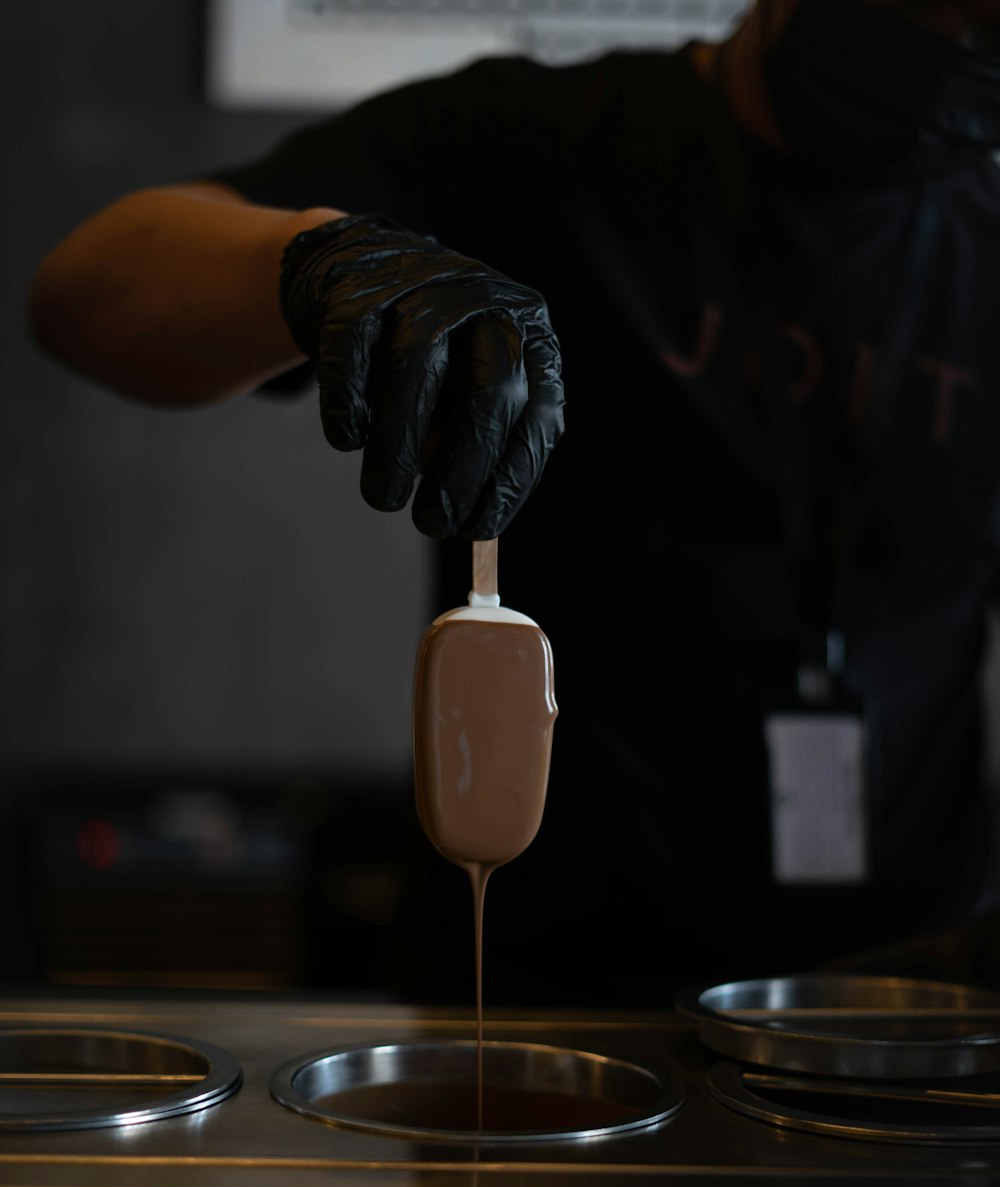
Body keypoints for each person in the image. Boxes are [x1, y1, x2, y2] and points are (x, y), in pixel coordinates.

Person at [28, 0, 1000, 1007]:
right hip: (529, 991)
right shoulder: (526, 137)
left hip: (893, 1009)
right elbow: (87, 286)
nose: (959, 49)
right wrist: (322, 265)